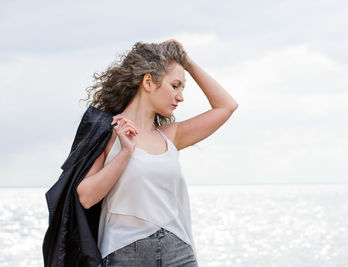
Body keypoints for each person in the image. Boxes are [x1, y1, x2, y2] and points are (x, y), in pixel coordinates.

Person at [75, 39, 238, 266]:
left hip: (178, 251)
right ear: (148, 82)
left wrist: (186, 61)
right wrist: (125, 153)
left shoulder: (171, 135)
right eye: (175, 86)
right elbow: (85, 196)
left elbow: (226, 106)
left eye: (182, 88)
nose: (180, 97)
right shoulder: (108, 132)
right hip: (124, 252)